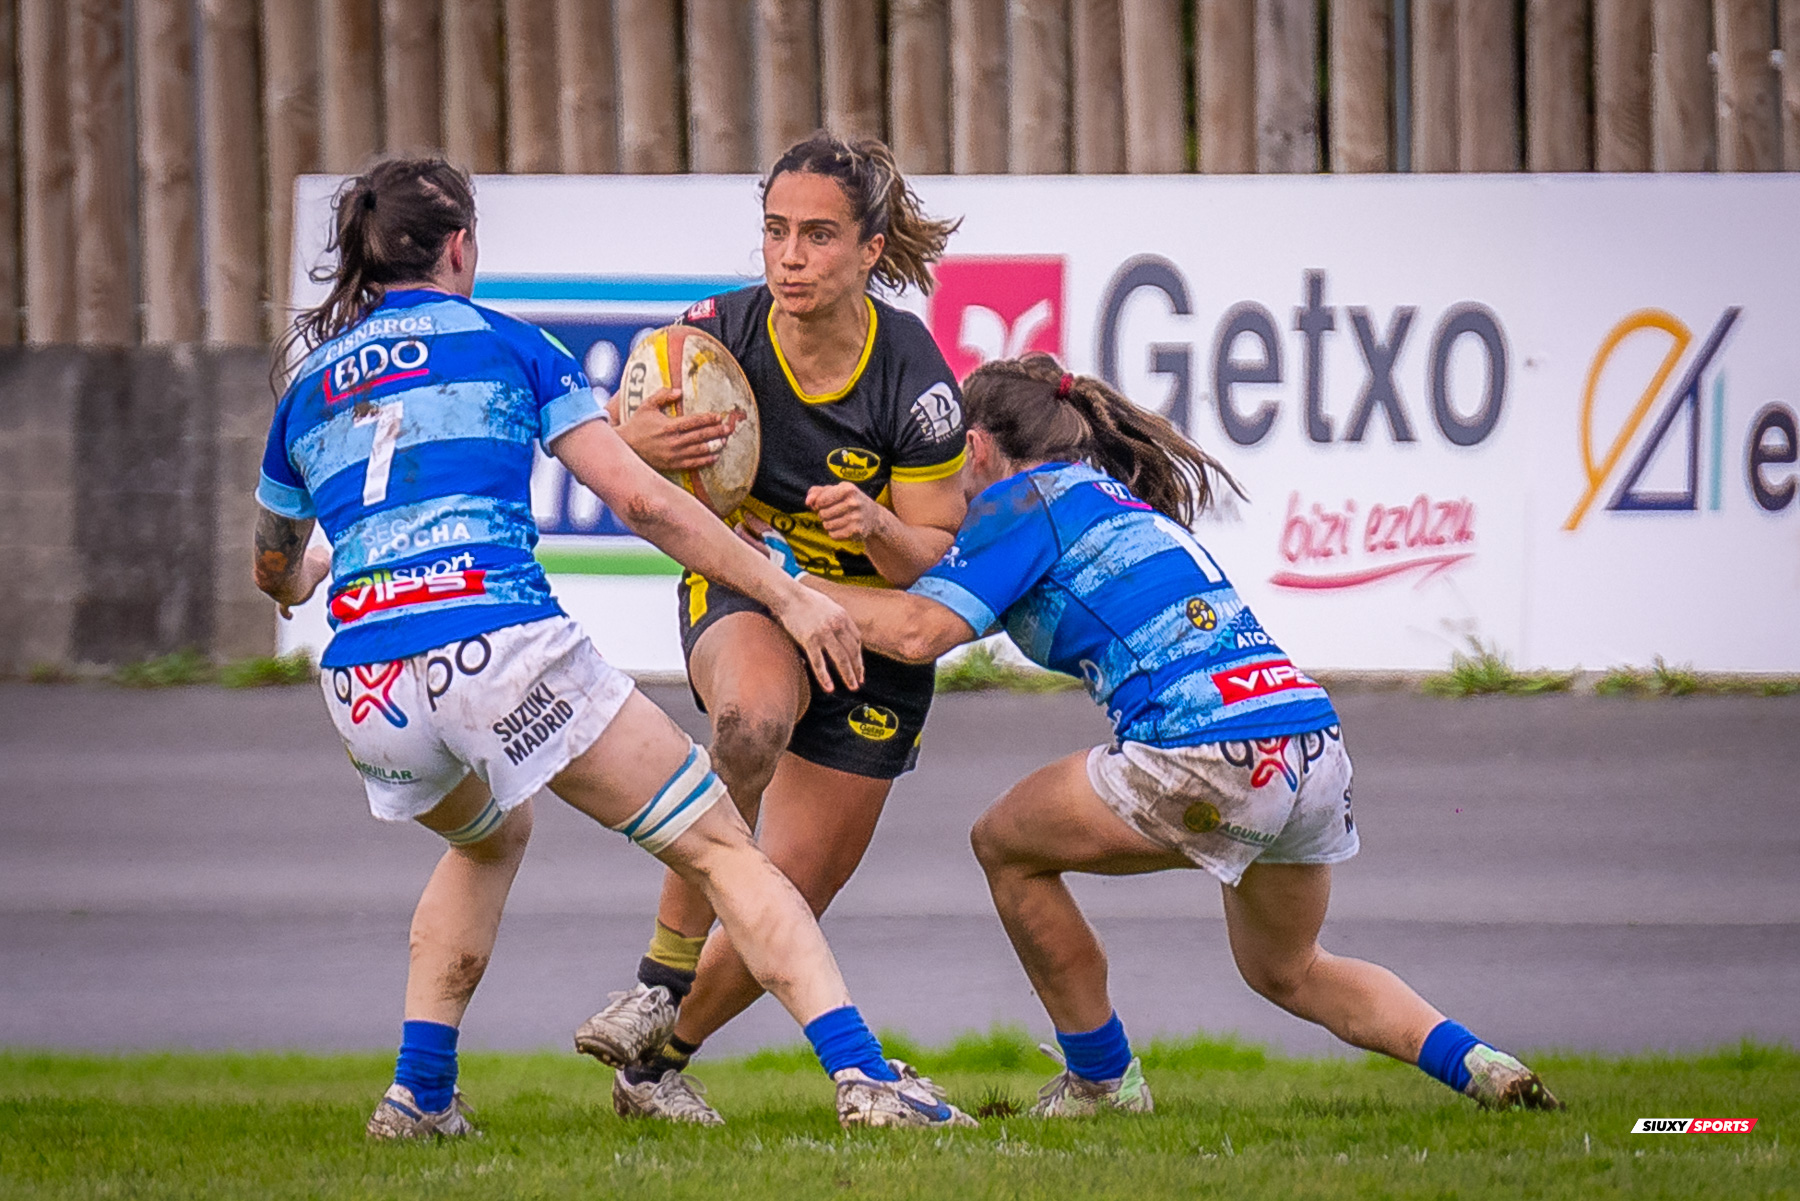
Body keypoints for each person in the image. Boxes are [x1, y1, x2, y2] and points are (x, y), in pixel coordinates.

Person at [252, 157, 974, 1137]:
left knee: (487, 833)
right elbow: (638, 498)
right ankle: (863, 1076)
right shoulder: (511, 346)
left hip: (368, 689)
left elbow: (275, 567)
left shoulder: (307, 388)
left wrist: (317, 573)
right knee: (722, 842)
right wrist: (789, 598)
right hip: (496, 650)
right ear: (461, 243)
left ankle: (419, 1092)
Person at [801, 354, 1564, 1116]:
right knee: (1289, 967)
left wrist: (780, 582)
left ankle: (1103, 1081)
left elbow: (916, 630)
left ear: (972, 448)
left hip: (1204, 753)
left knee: (1004, 844)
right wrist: (876, 529)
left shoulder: (1018, 505)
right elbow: (940, 577)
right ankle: (1486, 1066)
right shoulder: (1103, 501)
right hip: (1309, 745)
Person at [576, 132, 969, 1124]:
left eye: (819, 237)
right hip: (749, 595)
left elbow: (931, 553)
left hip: (870, 641)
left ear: (870, 250)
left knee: (784, 895)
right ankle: (660, 973)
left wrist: (879, 524)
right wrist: (638, 435)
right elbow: (628, 430)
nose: (791, 257)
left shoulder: (914, 378)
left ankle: (656, 1065)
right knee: (748, 717)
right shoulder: (718, 331)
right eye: (776, 232)